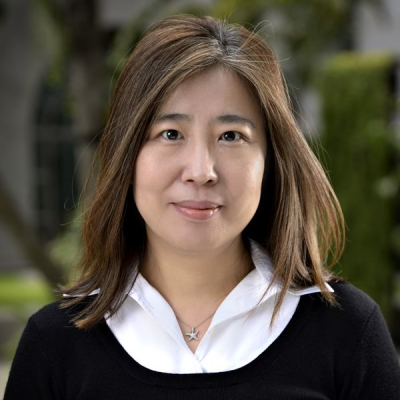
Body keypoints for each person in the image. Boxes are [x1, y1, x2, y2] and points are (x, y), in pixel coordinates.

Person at [4, 14, 400, 400]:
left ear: (270, 161)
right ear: (128, 156)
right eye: (170, 133)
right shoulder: (54, 346)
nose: (200, 171)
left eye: (231, 135)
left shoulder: (348, 332)